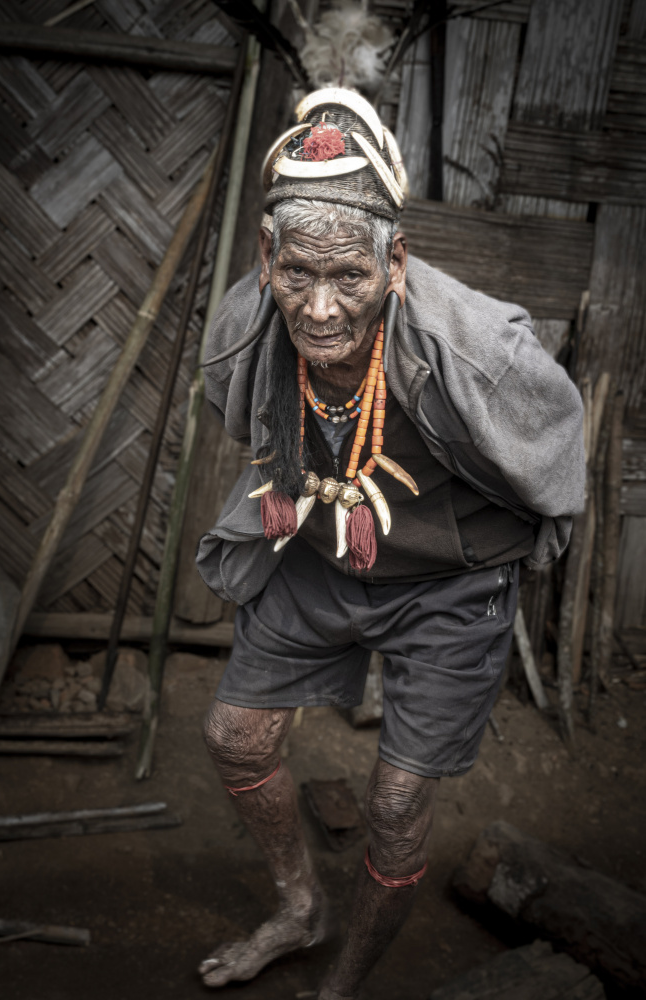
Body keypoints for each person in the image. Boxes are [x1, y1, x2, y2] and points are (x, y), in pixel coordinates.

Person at [195, 88, 585, 998]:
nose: (321, 309)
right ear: (266, 258)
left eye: (350, 278)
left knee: (397, 804)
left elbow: (558, 454)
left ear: (395, 260)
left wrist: (505, 559)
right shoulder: (244, 324)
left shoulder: (479, 353)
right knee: (234, 736)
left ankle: (344, 983)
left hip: (453, 582)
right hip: (326, 551)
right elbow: (238, 418)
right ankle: (302, 908)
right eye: (297, 274)